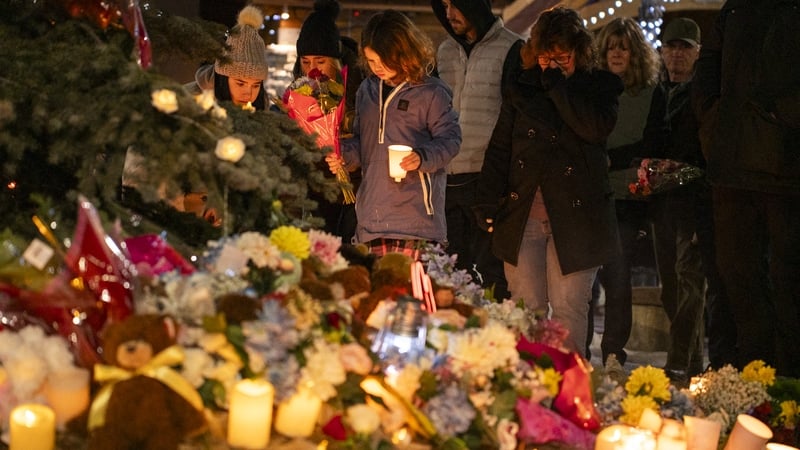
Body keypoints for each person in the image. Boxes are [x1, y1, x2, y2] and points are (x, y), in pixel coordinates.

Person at [473, 7, 622, 356]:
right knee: (526, 309)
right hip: (524, 213)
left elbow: (593, 129)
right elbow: (501, 146)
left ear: (579, 52)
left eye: (562, 58)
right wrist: (487, 199)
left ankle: (569, 383)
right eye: (545, 57)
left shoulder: (599, 87)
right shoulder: (522, 87)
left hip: (576, 219)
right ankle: (529, 381)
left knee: (569, 308)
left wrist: (558, 87)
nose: (552, 65)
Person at [695, 0, 800, 376]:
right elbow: (708, 65)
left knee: (788, 286)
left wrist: (781, 115)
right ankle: (754, 379)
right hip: (731, 164)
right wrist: (711, 119)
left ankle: (787, 384)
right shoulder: (735, 7)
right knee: (737, 279)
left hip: (786, 169)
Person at [324, 10, 461, 260]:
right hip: (372, 220)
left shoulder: (431, 92)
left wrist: (421, 157)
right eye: (371, 61)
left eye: (383, 60)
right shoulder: (367, 91)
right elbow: (363, 143)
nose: (377, 68)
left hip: (417, 222)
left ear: (402, 52)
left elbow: (451, 140)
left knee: (414, 286)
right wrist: (343, 155)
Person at [430, 0, 522, 300]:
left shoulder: (511, 48)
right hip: (447, 177)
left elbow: (515, 118)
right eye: (444, 5)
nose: (449, 14)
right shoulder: (445, 50)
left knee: (489, 276)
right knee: (447, 276)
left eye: (455, 5)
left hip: (488, 179)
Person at [588, 17, 660, 373]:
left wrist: (610, 159)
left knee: (617, 277)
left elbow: (650, 143)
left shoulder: (648, 93)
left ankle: (614, 353)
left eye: (624, 48)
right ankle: (580, 349)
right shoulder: (592, 89)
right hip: (591, 194)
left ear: (635, 53)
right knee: (586, 280)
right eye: (611, 48)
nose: (616, 54)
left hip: (627, 198)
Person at [641, 18, 709, 383]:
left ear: (697, 52)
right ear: (662, 51)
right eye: (671, 47)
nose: (677, 54)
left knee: (690, 281)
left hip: (693, 199)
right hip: (663, 201)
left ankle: (679, 360)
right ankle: (692, 364)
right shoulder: (656, 93)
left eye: (685, 47)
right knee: (672, 286)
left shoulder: (702, 94)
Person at [291, 0, 366, 244]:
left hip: (355, 192)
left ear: (335, 60)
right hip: (315, 192)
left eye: (320, 61)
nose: (312, 69)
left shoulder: (358, 90)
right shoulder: (299, 92)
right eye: (305, 61)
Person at [185, 6, 269, 110]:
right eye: (240, 84)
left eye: (255, 86)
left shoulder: (261, 104)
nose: (248, 94)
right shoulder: (189, 100)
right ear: (223, 78)